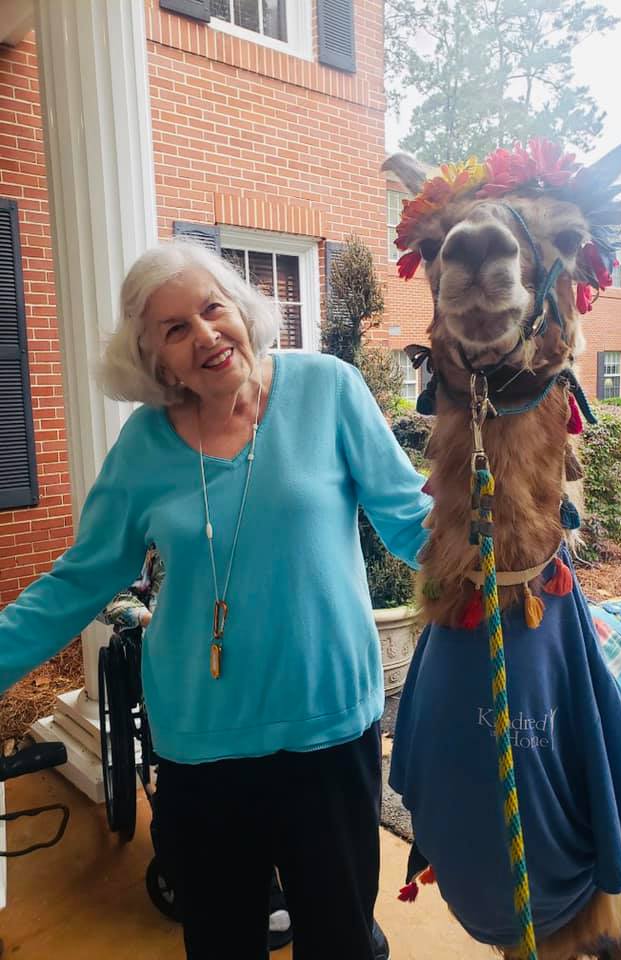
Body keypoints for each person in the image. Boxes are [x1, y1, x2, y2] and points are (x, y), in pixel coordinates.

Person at [0, 240, 431, 960]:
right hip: (201, 742)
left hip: (327, 725)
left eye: (212, 308)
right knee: (221, 942)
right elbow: (79, 579)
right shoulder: (143, 447)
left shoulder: (328, 390)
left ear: (242, 309)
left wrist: (502, 557)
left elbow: (413, 523)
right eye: (175, 329)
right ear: (156, 361)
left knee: (343, 940)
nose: (204, 334)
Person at [97, 545, 293, 952]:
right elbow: (107, 596)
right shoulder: (148, 540)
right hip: (180, 672)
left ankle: (281, 878)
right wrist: (153, 619)